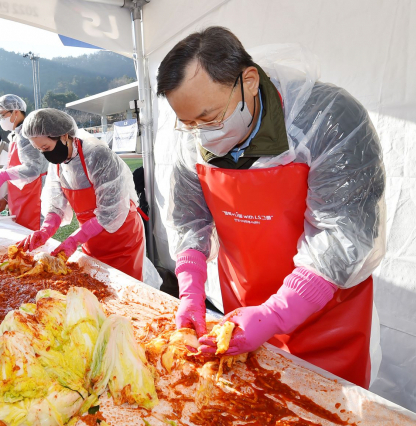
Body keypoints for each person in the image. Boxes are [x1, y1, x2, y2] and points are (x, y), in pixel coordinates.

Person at [157, 27, 386, 389]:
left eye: (211, 117)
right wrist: (190, 290)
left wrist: (275, 314)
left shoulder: (327, 119)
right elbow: (187, 219)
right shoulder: (189, 139)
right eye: (190, 124)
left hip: (326, 315)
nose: (203, 134)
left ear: (248, 81)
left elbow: (343, 237)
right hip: (244, 308)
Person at [18, 108, 145, 281]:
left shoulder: (98, 156)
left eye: (46, 147)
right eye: (39, 150)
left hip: (122, 237)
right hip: (90, 237)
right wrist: (46, 230)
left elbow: (110, 213)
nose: (45, 154)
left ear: (64, 136)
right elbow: (56, 204)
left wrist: (75, 239)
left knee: (124, 290)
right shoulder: (57, 163)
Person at [0, 94, 49, 230]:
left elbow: (33, 169)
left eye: (3, 114)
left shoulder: (26, 135)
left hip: (32, 192)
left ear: (16, 111)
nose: (1, 119)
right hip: (20, 191)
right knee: (21, 229)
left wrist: (4, 175)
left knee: (32, 231)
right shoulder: (16, 134)